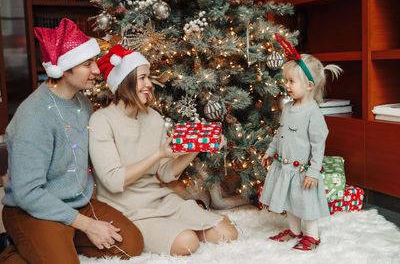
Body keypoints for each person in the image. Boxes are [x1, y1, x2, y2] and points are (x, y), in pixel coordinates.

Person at [0, 18, 143, 263]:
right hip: (31, 210)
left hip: (78, 202)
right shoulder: (33, 116)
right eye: (88, 64)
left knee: (132, 244)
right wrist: (86, 225)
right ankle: (10, 250)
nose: (97, 70)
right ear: (63, 69)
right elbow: (27, 193)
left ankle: (62, 239)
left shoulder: (82, 103)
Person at [89, 44, 238, 256]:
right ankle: (180, 230)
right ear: (124, 82)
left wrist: (197, 147)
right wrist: (158, 154)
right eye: (142, 78)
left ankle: (183, 226)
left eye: (149, 77)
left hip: (160, 200)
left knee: (227, 234)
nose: (149, 84)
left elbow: (165, 173)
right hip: (128, 209)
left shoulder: (153, 118)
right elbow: (113, 181)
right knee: (187, 242)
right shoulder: (101, 121)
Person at [259, 35, 343, 251]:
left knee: (306, 204)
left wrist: (314, 172)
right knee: (290, 202)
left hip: (302, 172)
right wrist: (270, 152)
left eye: (291, 81)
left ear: (308, 85)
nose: (286, 85)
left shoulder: (313, 113)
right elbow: (280, 134)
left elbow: (318, 145)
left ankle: (312, 236)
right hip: (284, 166)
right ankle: (295, 232)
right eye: (285, 80)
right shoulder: (287, 108)